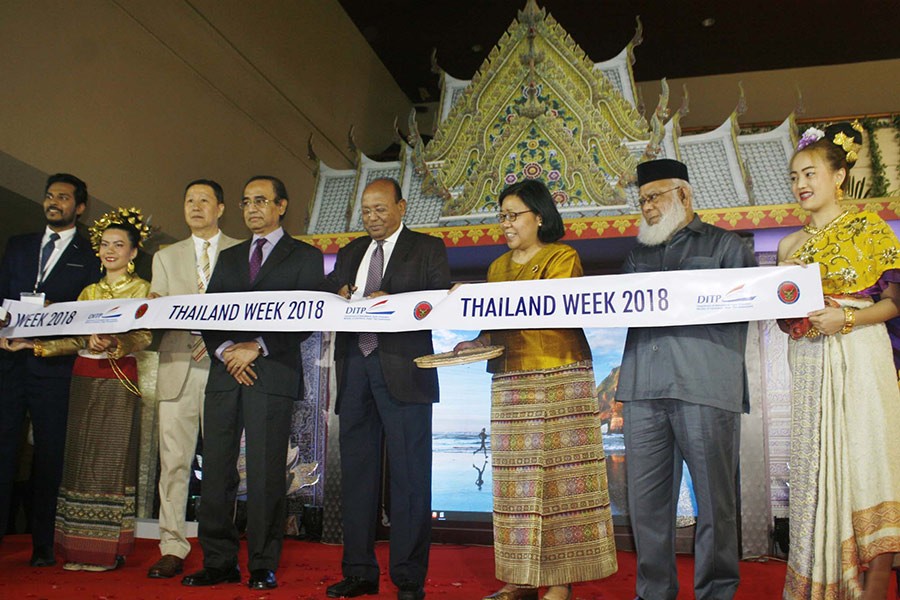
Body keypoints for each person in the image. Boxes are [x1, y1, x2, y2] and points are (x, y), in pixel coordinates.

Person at [454, 179, 617, 600]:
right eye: (502, 216)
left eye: (513, 216)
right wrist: (472, 340)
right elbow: (493, 326)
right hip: (510, 380)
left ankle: (561, 582)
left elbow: (548, 304)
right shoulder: (496, 268)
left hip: (560, 375)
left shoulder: (563, 257)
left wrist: (475, 299)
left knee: (563, 481)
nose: (505, 224)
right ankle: (519, 580)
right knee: (516, 484)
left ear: (539, 218)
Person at [615, 158, 757, 600]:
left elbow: (748, 308)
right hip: (642, 390)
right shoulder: (638, 256)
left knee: (716, 502)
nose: (648, 208)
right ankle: (654, 593)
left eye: (654, 196)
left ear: (684, 195)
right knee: (646, 507)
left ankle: (716, 592)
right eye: (642, 201)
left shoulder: (725, 247)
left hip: (705, 388)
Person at [181, 175, 323, 591]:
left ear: (281, 206)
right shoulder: (229, 258)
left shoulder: (305, 257)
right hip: (225, 375)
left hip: (271, 373)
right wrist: (227, 350)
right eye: (246, 202)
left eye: (261, 201)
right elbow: (208, 315)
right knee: (217, 473)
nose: (252, 209)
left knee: (264, 475)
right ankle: (219, 561)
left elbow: (307, 316)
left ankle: (263, 563)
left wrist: (256, 347)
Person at [777, 122, 900, 600]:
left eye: (810, 173)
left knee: (868, 465)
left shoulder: (869, 229)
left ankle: (872, 592)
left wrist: (845, 321)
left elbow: (894, 301)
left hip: (861, 358)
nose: (801, 185)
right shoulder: (789, 247)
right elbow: (784, 316)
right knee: (818, 470)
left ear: (839, 176)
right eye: (793, 177)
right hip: (809, 364)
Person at [4, 208, 153, 571]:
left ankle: (107, 551)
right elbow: (73, 338)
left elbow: (146, 334)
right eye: (104, 245)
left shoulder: (143, 290)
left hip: (117, 377)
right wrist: (33, 346)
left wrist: (119, 344)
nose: (110, 251)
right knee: (81, 460)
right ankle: (79, 548)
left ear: (133, 252)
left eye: (119, 245)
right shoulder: (88, 291)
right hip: (83, 375)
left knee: (110, 461)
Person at [323, 178, 450, 600]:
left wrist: (391, 300)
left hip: (404, 373)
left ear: (401, 206)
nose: (373, 218)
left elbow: (436, 302)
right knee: (358, 477)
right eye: (367, 211)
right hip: (355, 369)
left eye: (381, 209)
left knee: (411, 479)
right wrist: (339, 291)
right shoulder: (350, 252)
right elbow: (330, 296)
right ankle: (359, 571)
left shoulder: (427, 248)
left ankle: (409, 579)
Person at [0, 173, 100, 567]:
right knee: (4, 449)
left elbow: (92, 310)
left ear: (80, 207)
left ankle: (43, 542)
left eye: (63, 197)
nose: (53, 202)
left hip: (56, 367)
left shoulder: (91, 252)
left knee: (49, 455)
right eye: (49, 195)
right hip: (10, 363)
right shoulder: (19, 245)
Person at [146, 179, 239, 579]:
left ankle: (220, 546)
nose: (195, 206)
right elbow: (157, 311)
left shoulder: (241, 252)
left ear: (220, 208)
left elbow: (249, 308)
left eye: (204, 200)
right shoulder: (165, 257)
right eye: (189, 200)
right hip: (177, 366)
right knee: (174, 463)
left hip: (224, 365)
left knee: (222, 465)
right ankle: (171, 545)